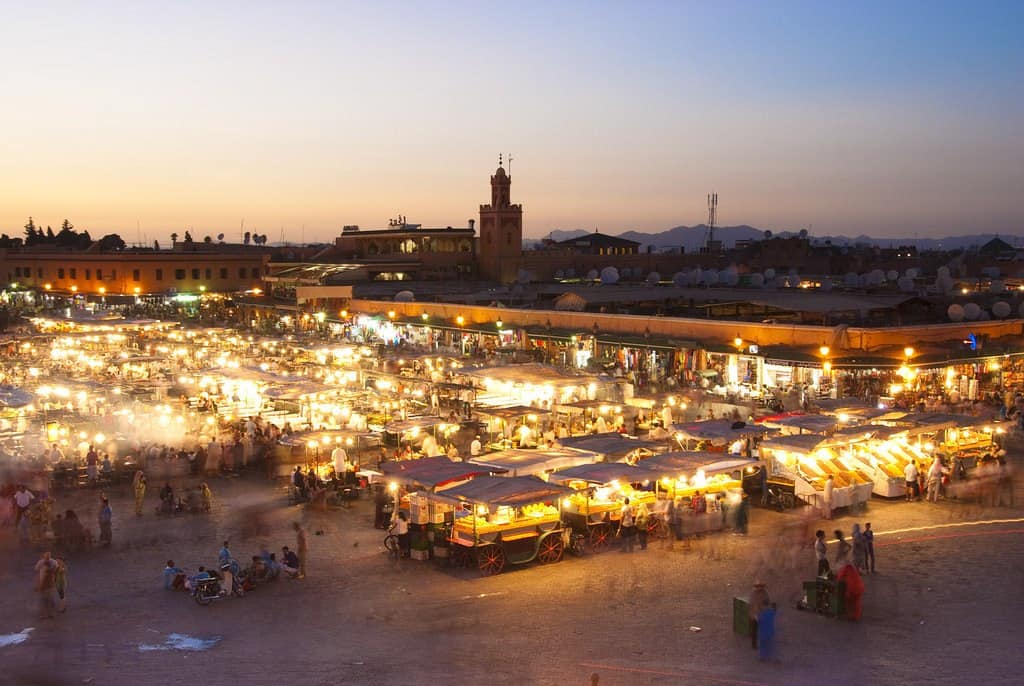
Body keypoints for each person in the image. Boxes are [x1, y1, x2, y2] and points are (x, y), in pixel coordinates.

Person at [748, 581, 771, 650]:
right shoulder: (753, 594)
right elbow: (752, 605)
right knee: (755, 630)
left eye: (761, 586)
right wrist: (754, 615)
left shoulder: (765, 593)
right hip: (755, 615)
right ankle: (754, 645)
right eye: (758, 586)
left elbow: (768, 602)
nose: (760, 588)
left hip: (763, 613)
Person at [35, 551, 58, 618]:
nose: (47, 557)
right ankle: (47, 614)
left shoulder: (53, 563)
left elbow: (56, 571)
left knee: (47, 599)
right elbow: (37, 572)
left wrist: (39, 585)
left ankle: (47, 614)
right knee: (46, 599)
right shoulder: (42, 563)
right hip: (48, 584)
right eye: (46, 556)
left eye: (48, 556)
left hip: (48, 584)